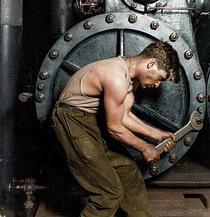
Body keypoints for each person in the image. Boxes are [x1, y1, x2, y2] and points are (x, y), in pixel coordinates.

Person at [51, 40, 180, 217]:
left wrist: (157, 134)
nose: (157, 85)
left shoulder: (130, 78)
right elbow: (114, 127)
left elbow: (124, 116)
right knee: (109, 193)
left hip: (90, 120)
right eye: (159, 78)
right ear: (152, 63)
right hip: (71, 120)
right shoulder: (116, 76)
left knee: (129, 173)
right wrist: (144, 147)